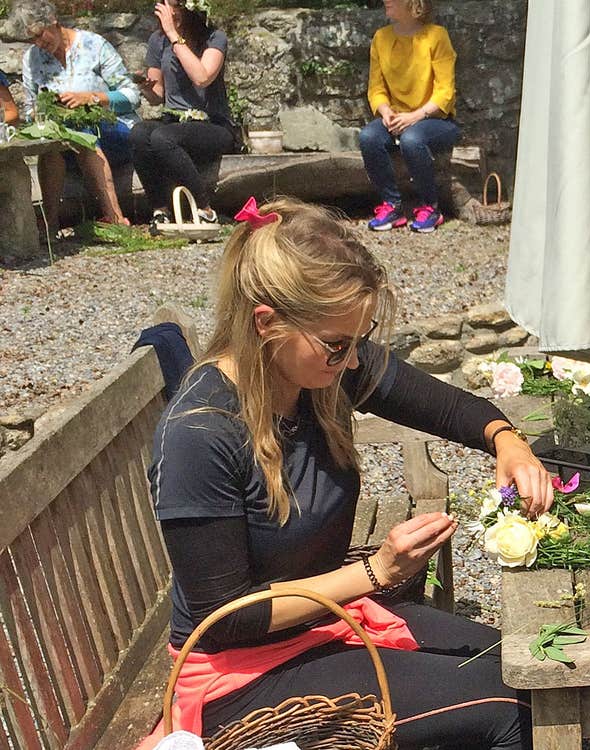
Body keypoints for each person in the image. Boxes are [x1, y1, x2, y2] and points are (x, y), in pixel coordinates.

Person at [141, 197, 548, 749]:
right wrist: (378, 571)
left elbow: (450, 410)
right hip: (240, 678)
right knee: (510, 710)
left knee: (521, 667)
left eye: (361, 338)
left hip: (322, 625)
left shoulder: (322, 369)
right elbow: (226, 618)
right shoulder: (199, 434)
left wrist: (509, 443)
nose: (354, 361)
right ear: (267, 323)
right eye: (339, 345)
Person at [15, 0, 139, 225]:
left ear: (53, 21)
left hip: (114, 131)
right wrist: (43, 112)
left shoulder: (94, 46)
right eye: (32, 39)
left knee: (81, 129)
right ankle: (51, 225)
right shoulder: (32, 59)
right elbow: (29, 109)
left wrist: (91, 98)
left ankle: (114, 217)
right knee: (53, 141)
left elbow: (132, 96)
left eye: (40, 34)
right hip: (65, 142)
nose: (38, 43)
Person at [131, 0, 238, 227]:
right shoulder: (157, 41)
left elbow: (202, 77)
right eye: (166, 6)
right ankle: (160, 209)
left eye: (176, 7)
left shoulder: (214, 38)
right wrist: (147, 87)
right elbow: (158, 95)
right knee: (139, 133)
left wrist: (173, 35)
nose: (170, 13)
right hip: (174, 121)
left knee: (163, 137)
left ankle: (205, 210)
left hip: (212, 125)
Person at [360, 0, 461, 233]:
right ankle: (393, 206)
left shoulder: (437, 36)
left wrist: (415, 116)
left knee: (412, 140)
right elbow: (376, 88)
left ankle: (431, 208)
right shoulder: (381, 38)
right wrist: (385, 111)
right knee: (369, 137)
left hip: (436, 119)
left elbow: (445, 92)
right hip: (397, 118)